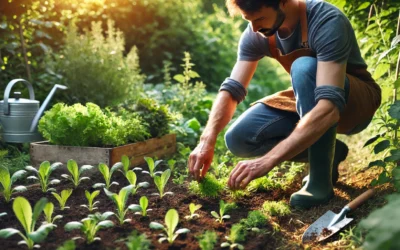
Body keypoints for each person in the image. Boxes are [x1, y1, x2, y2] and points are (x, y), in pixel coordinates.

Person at [187, 0, 381, 209]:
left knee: (304, 67)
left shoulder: (326, 20)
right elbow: (233, 88)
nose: (253, 28)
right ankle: (331, 152)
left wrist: (268, 161)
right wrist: (207, 139)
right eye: (248, 20)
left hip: (353, 103)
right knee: (238, 139)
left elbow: (329, 109)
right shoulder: (258, 32)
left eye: (259, 18)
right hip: (312, 100)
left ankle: (319, 182)